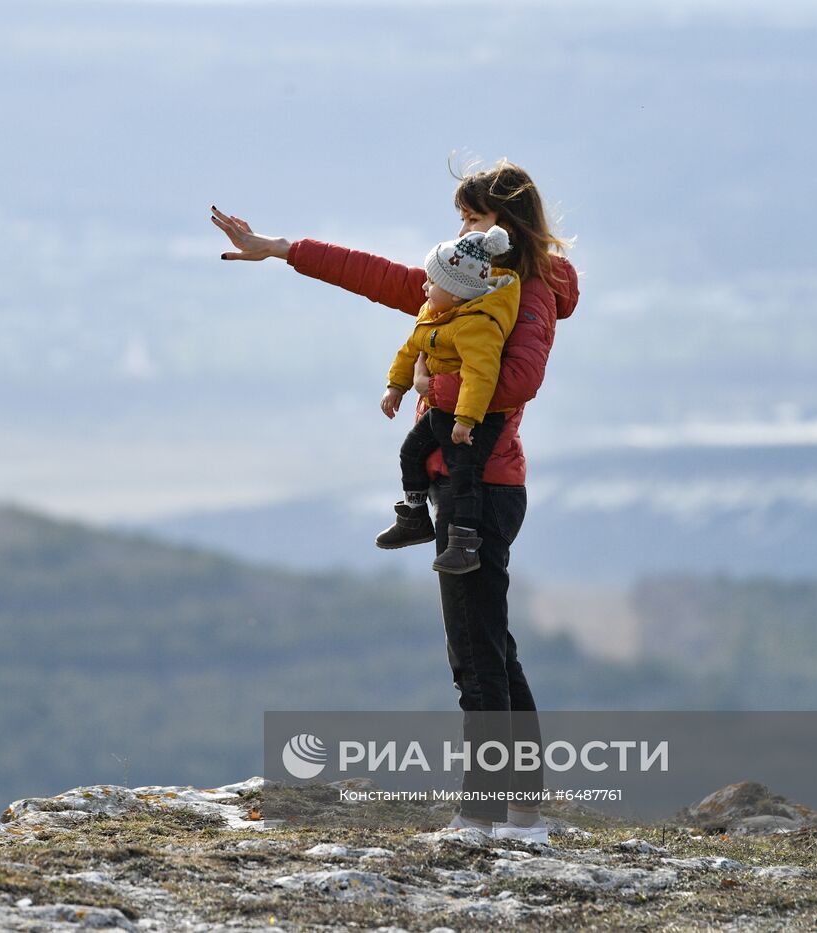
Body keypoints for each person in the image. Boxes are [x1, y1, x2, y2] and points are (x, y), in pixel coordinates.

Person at [210, 159, 578, 842]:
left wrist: (432, 382)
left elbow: (519, 377)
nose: (462, 230)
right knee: (492, 645)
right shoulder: (472, 282)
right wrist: (282, 249)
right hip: (467, 485)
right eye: (461, 219)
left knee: (475, 655)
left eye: (473, 218)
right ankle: (522, 808)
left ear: (508, 224)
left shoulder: (523, 291)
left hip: (484, 490)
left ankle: (484, 814)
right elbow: (379, 276)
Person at [377, 226, 520, 575]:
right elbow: (410, 349)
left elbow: (480, 375)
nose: (425, 288)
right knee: (410, 452)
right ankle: (413, 516)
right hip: (441, 409)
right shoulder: (434, 314)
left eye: (432, 282)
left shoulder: (477, 326)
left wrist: (466, 420)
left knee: (464, 475)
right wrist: (396, 386)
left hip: (469, 417)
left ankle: (465, 544)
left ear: (456, 293)